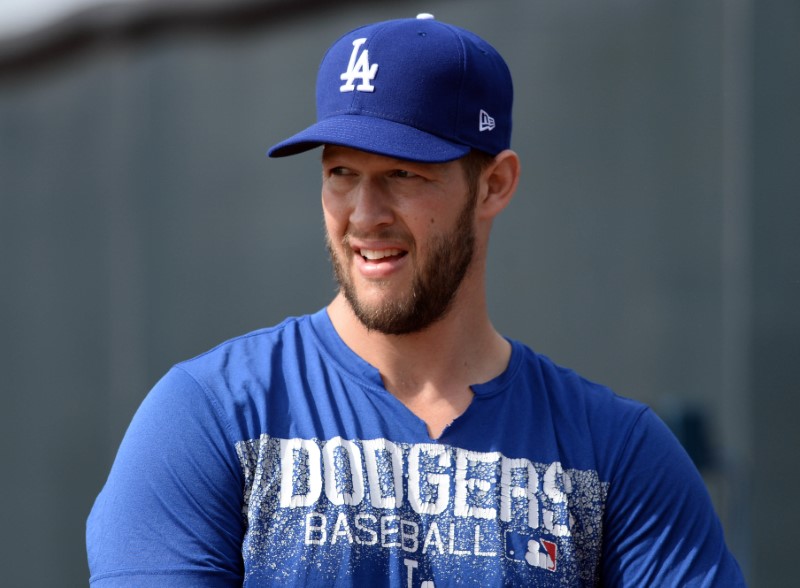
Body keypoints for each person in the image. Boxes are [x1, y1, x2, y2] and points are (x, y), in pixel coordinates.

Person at [86, 13, 745, 587]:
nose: (364, 216)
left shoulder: (614, 453)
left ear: (494, 184)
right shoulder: (212, 419)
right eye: (341, 173)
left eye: (403, 174)